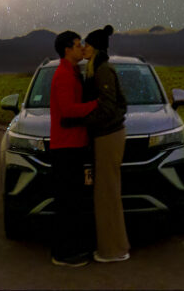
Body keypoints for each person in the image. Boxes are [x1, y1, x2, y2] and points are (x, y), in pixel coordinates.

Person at [48, 30, 98, 267]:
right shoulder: (64, 76)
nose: (81, 48)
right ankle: (62, 254)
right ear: (67, 49)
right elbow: (68, 110)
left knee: (72, 200)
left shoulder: (72, 72)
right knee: (67, 201)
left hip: (74, 144)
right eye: (78, 45)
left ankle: (70, 248)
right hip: (66, 147)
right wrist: (97, 104)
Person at [81, 25, 130, 262]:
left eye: (87, 44)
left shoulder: (102, 71)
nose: (84, 48)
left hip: (108, 136)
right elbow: (118, 104)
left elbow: (110, 106)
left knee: (107, 193)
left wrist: (85, 121)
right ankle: (115, 246)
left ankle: (114, 251)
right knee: (106, 192)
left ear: (97, 48)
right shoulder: (97, 69)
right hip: (106, 135)